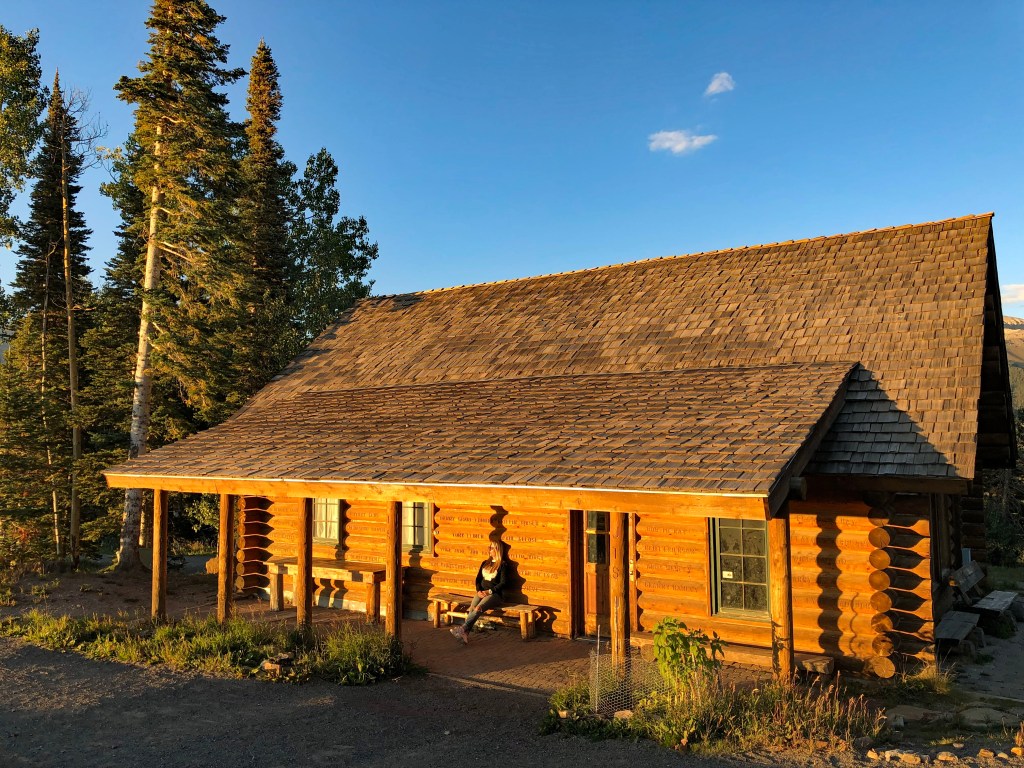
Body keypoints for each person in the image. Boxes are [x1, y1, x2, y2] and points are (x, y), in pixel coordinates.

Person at [451, 539, 507, 643]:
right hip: (481, 593)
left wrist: (489, 591)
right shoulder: (485, 563)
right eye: (489, 547)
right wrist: (478, 591)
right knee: (472, 609)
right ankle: (465, 634)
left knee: (478, 609)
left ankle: (463, 628)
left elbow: (503, 583)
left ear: (497, 550)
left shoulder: (502, 565)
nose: (489, 550)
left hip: (494, 595)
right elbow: (478, 579)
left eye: (492, 548)